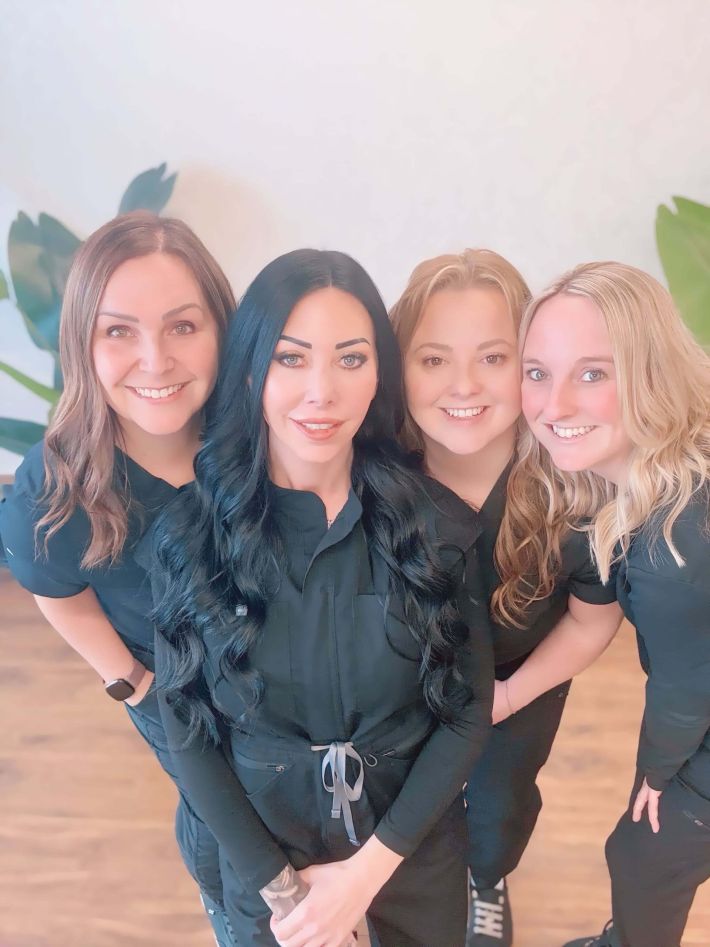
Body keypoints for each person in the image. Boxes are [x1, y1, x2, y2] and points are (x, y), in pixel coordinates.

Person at [142, 248, 495, 946]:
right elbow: (186, 728)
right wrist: (286, 894)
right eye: (292, 358)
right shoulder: (189, 536)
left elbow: (467, 714)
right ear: (251, 369)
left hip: (408, 857)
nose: (321, 391)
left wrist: (363, 878)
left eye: (351, 359)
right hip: (267, 871)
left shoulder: (440, 526)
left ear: (378, 378)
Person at [0, 211, 238, 945]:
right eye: (119, 331)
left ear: (222, 328)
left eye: (182, 326)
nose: (155, 360)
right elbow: (54, 591)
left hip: (289, 680)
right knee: (222, 825)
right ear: (83, 342)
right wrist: (132, 682)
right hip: (171, 690)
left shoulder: (259, 434)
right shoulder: (56, 483)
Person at [390, 249, 622, 947]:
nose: (464, 384)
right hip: (404, 695)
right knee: (409, 807)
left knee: (499, 806)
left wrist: (512, 697)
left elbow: (593, 619)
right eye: (433, 360)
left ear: (527, 366)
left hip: (521, 687)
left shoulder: (572, 487)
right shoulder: (378, 479)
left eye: (493, 358)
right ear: (397, 367)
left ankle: (486, 880)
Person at [519, 261, 710, 947]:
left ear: (649, 372)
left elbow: (686, 688)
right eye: (537, 372)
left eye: (593, 373)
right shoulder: (652, 476)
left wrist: (654, 776)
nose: (555, 404)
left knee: (644, 848)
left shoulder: (671, 543)